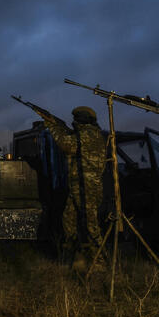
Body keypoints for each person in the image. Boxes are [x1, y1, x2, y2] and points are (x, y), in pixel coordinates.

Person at [39, 105, 107, 270]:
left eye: (77, 119)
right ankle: (75, 257)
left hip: (87, 186)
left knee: (91, 225)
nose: (75, 122)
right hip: (78, 186)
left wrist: (51, 125)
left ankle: (99, 262)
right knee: (68, 220)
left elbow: (65, 145)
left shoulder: (89, 134)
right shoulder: (86, 134)